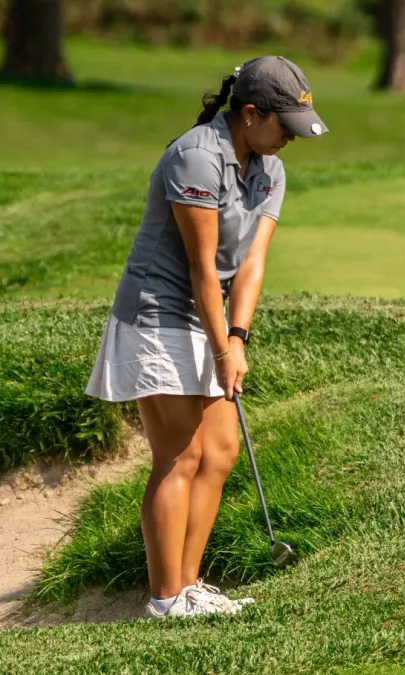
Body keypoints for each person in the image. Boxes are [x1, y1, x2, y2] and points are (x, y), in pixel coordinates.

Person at [84, 55, 328, 618]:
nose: (290, 138)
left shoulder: (270, 168)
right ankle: (165, 598)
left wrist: (237, 336)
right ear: (249, 114)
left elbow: (251, 264)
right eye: (283, 125)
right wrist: (221, 347)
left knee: (219, 451)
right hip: (156, 314)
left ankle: (188, 588)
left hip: (207, 316)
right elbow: (199, 266)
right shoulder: (196, 156)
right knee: (180, 455)